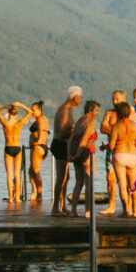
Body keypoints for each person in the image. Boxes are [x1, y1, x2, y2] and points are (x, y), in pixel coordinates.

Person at [101, 101, 136, 217]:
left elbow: (112, 146)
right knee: (134, 185)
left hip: (119, 155)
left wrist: (104, 147)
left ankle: (126, 210)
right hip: (132, 156)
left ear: (118, 113)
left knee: (122, 184)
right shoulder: (135, 126)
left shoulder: (116, 127)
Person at [51, 86, 83, 216]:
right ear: (74, 97)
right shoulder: (64, 110)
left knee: (66, 177)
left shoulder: (69, 109)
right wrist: (76, 131)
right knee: (60, 178)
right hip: (60, 145)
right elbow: (63, 131)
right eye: (80, 97)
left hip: (64, 145)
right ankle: (55, 208)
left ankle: (63, 206)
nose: (80, 100)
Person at [0, 101, 33, 204]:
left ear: (9, 113)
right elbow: (30, 112)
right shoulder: (19, 123)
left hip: (8, 148)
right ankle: (17, 198)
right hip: (17, 148)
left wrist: (4, 106)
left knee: (9, 174)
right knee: (17, 174)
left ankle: (11, 198)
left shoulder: (5, 123)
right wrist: (21, 105)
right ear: (16, 114)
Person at [67, 100, 101, 217]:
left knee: (78, 183)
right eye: (97, 110)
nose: (98, 113)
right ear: (90, 110)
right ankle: (88, 211)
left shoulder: (80, 121)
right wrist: (77, 155)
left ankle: (73, 210)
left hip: (76, 154)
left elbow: (71, 139)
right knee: (88, 183)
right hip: (87, 154)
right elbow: (84, 140)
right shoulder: (90, 122)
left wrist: (70, 155)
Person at [100, 90, 129, 214]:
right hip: (111, 149)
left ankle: (128, 206)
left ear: (124, 100)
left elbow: (133, 128)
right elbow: (102, 128)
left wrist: (112, 130)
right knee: (110, 178)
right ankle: (111, 206)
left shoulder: (129, 112)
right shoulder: (109, 113)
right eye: (113, 99)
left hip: (125, 149)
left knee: (126, 179)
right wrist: (117, 130)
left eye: (117, 99)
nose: (114, 101)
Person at [28, 101, 49, 202]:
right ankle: (34, 191)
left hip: (37, 148)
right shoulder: (42, 119)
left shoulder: (40, 119)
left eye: (33, 110)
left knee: (35, 172)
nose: (32, 112)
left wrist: (36, 142)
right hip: (41, 147)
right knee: (31, 171)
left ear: (39, 110)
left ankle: (39, 194)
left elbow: (41, 135)